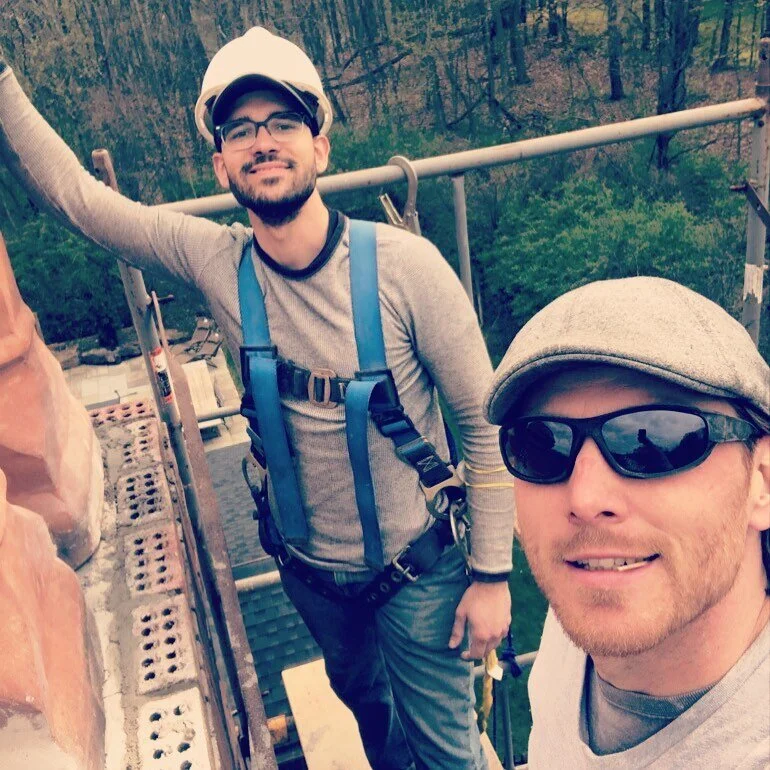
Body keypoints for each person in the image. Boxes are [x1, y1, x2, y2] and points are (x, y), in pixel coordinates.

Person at [0, 25, 514, 770]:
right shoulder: (217, 262)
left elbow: (483, 420)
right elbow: (80, 201)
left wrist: (494, 575)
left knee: (448, 751)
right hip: (312, 577)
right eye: (241, 131)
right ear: (221, 163)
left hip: (417, 570)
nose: (262, 142)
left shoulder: (406, 270)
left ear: (320, 147)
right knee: (370, 715)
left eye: (282, 124)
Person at [484, 276, 770, 768]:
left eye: (654, 439)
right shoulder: (584, 601)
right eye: (542, 444)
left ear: (761, 481)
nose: (585, 498)